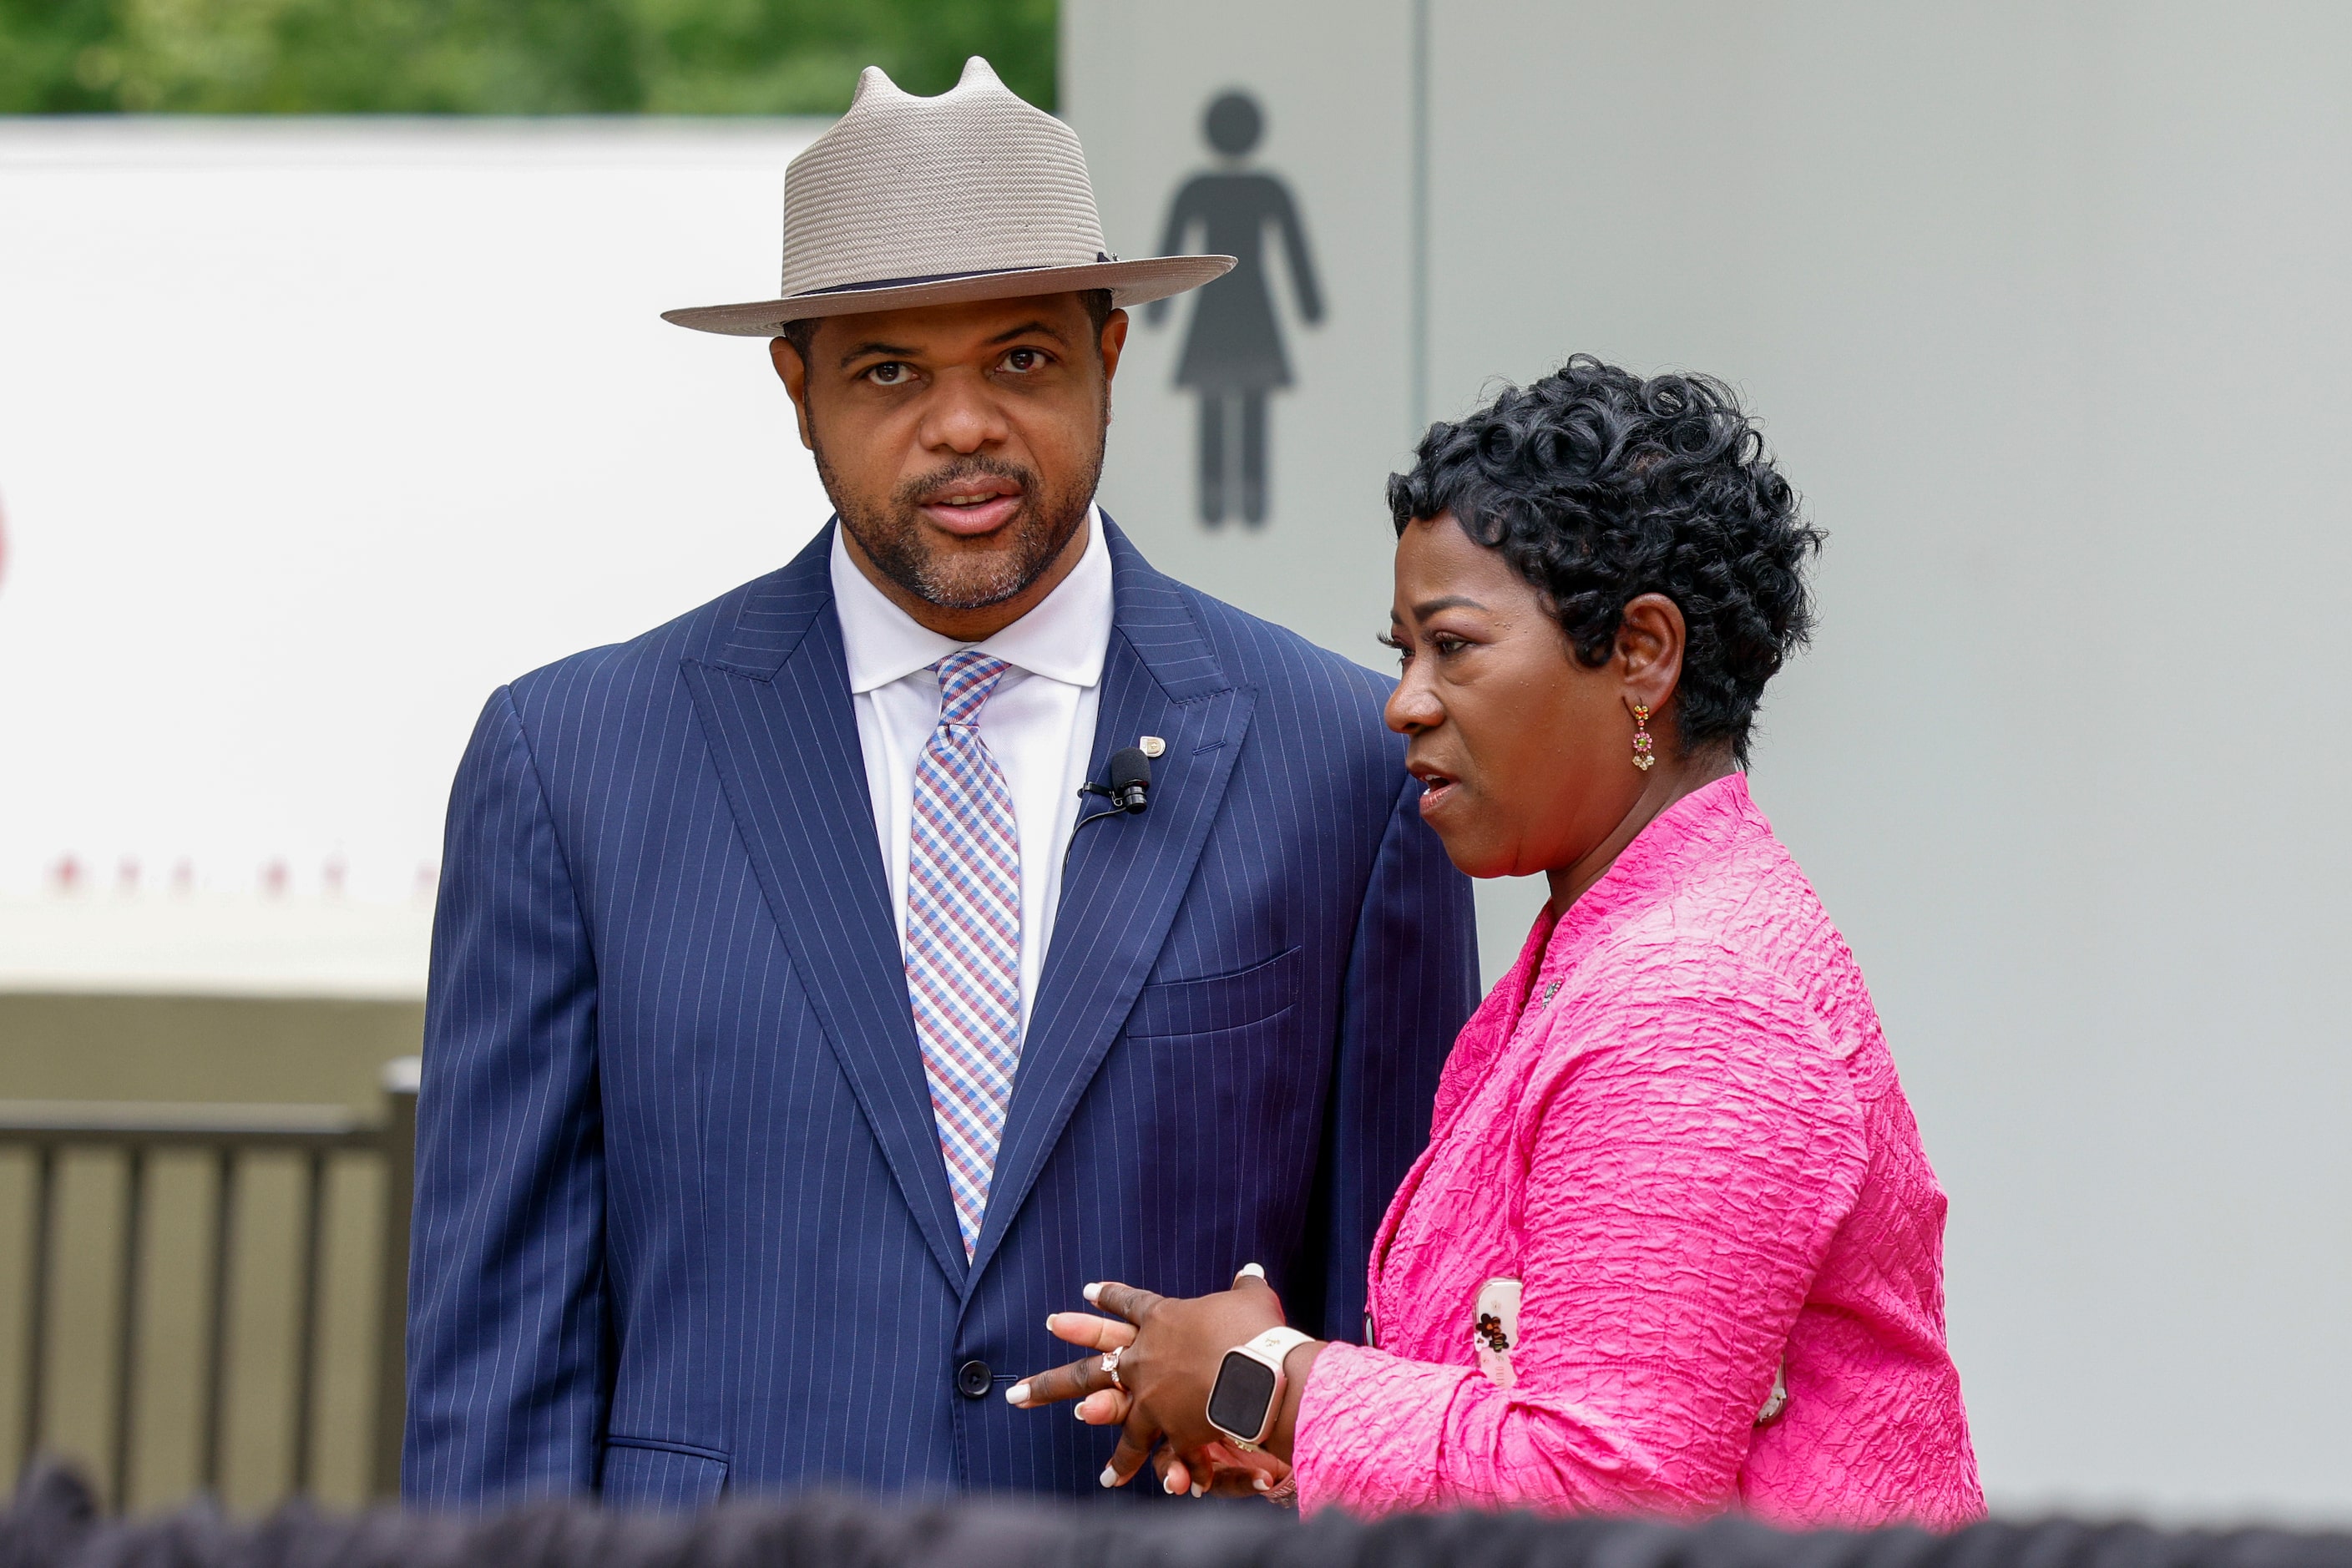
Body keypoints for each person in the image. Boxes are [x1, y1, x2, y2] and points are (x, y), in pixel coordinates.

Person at [402, 58, 1476, 1506]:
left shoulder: (1343, 763)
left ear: (1111, 354)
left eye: (1021, 359)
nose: (962, 423)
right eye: (889, 369)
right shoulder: (571, 762)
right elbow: (495, 1356)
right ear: (797, 388)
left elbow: (1400, 1315)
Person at [1010, 357, 1985, 1528]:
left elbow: (1611, 1486)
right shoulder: (1604, 946)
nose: (1404, 702)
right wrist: (1279, 1433)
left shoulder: (1697, 1004)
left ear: (1641, 655)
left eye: (1452, 647)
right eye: (1401, 651)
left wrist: (1256, 1382)